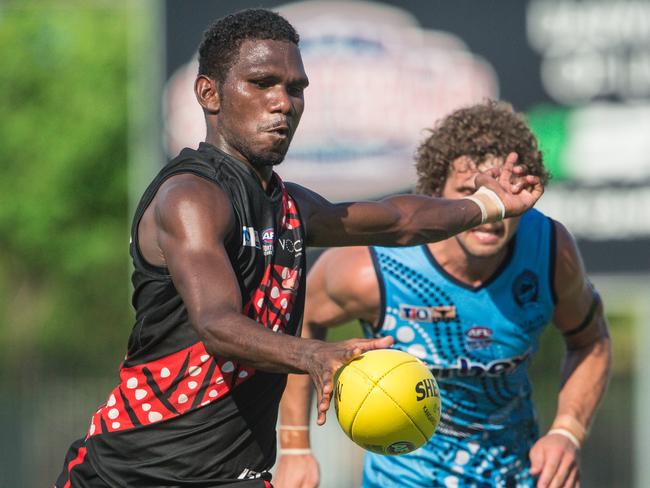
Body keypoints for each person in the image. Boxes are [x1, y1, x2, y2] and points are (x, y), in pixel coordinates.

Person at [55, 10, 543, 488]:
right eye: (262, 82)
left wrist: (488, 203)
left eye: (295, 88)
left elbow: (399, 221)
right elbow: (218, 325)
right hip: (134, 472)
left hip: (235, 476)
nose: (283, 102)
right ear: (209, 93)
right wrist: (314, 354)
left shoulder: (289, 206)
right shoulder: (191, 197)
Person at [276, 101, 611, 488]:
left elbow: (592, 341)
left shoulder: (550, 251)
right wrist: (295, 447)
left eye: (505, 195)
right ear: (438, 199)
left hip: (517, 478)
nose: (494, 212)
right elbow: (302, 325)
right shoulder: (370, 268)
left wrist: (567, 432)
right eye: (474, 195)